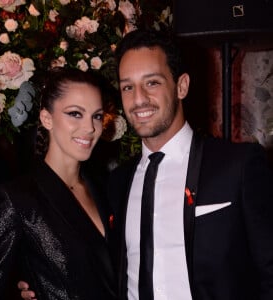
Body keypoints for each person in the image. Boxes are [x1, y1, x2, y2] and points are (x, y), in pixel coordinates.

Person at [19, 28, 273, 300]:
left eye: (152, 83)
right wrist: (40, 282)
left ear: (181, 85)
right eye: (128, 86)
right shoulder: (116, 184)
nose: (138, 99)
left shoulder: (238, 167)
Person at [0, 67, 117, 300]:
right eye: (75, 114)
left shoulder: (107, 189)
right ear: (46, 118)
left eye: (97, 116)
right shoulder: (19, 199)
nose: (90, 128)